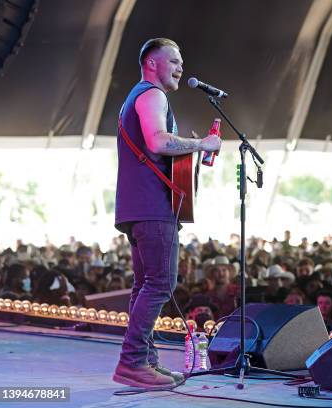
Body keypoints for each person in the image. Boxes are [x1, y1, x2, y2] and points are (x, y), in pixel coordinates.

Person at [112, 38, 221, 389]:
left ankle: (147, 362)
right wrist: (201, 144)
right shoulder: (152, 95)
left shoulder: (137, 97)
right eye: (174, 60)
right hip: (152, 206)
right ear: (152, 64)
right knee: (160, 284)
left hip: (136, 206)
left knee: (144, 285)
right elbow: (158, 142)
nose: (180, 67)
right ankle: (132, 362)